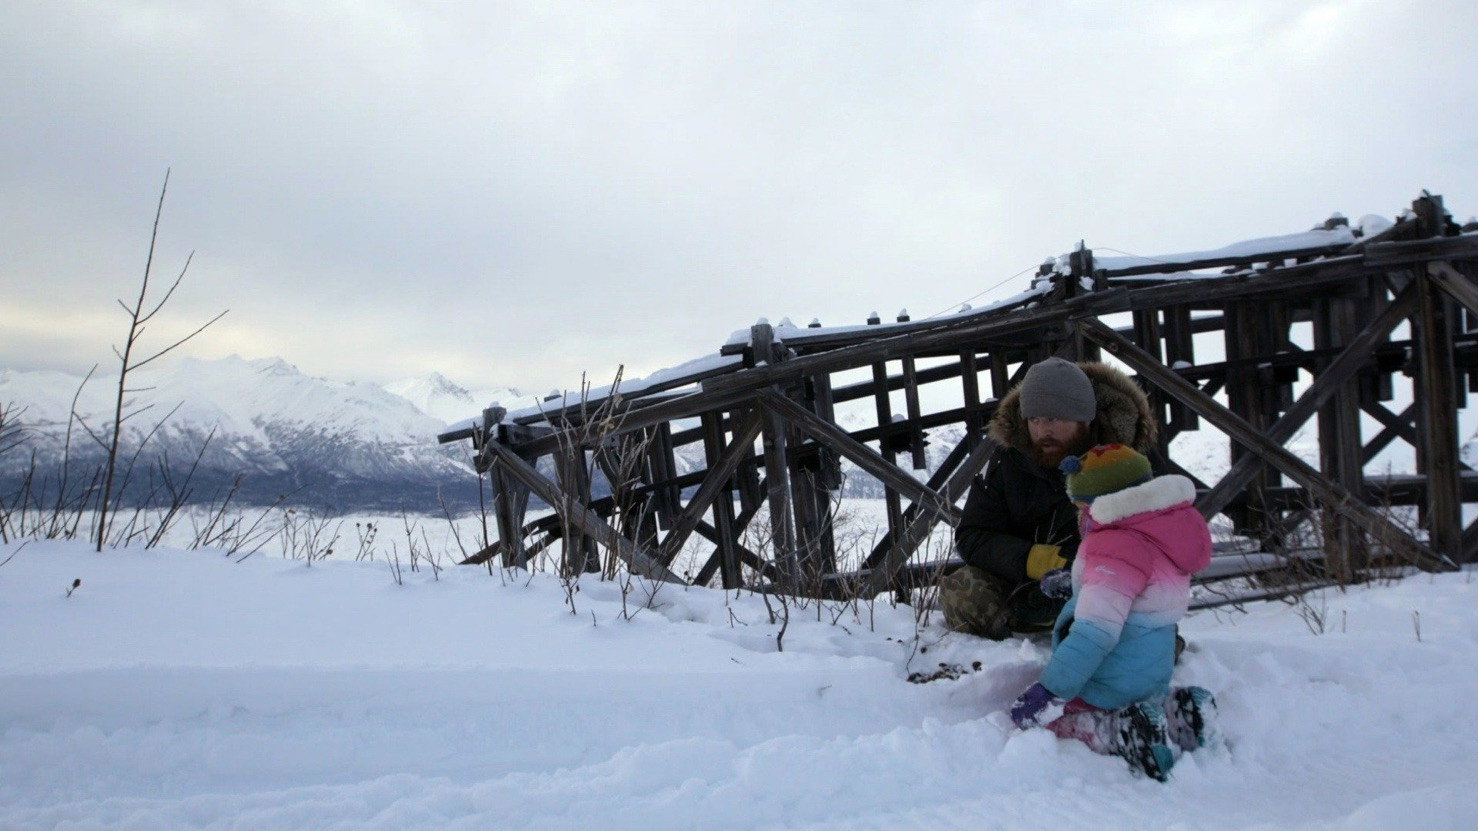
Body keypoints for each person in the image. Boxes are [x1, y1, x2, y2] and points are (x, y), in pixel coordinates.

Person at [1008, 443, 1216, 781]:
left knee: (1060, 723)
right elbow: (1138, 590)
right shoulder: (1161, 530)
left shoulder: (1114, 545)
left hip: (1107, 679)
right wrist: (1077, 584)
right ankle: (1180, 712)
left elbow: (1095, 633)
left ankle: (1122, 732)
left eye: (1082, 508)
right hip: (1152, 670)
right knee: (1142, 697)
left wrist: (1048, 692)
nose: (1080, 518)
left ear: (1101, 504)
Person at [940, 357, 1156, 639]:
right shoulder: (1009, 462)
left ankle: (1134, 639)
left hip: (1107, 586)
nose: (1042, 431)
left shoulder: (1124, 462)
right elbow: (973, 536)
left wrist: (1083, 567)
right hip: (1027, 587)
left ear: (1084, 418)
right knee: (961, 588)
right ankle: (1018, 647)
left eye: (1054, 418)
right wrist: (1036, 560)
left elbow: (1156, 537)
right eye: (1034, 419)